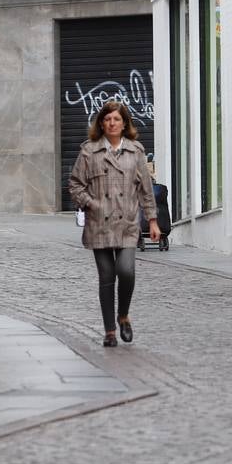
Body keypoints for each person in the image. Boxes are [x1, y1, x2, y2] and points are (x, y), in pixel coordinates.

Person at [68, 101, 160, 347]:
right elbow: (75, 184)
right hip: (99, 223)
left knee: (127, 271)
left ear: (124, 123)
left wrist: (152, 220)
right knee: (107, 276)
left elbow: (146, 189)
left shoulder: (136, 151)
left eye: (116, 119)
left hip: (128, 222)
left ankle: (124, 315)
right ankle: (110, 330)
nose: (112, 123)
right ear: (101, 123)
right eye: (107, 119)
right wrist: (91, 203)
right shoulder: (89, 151)